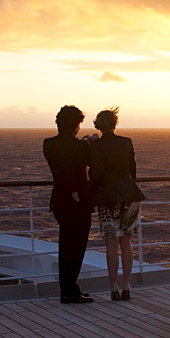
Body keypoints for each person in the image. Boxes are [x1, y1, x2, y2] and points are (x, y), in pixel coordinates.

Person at [87, 107, 144, 300]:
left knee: (111, 244)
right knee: (126, 243)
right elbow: (132, 170)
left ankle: (113, 287)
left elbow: (96, 174)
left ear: (98, 125)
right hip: (129, 195)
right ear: (115, 124)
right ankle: (127, 284)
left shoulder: (97, 146)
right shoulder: (126, 142)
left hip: (108, 197)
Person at [43, 105, 94, 304]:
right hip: (78, 201)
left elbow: (64, 155)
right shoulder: (81, 147)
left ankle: (68, 288)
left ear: (58, 123)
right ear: (77, 125)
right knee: (77, 246)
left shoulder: (48, 144)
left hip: (59, 200)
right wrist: (91, 145)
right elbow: (91, 163)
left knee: (65, 245)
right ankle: (70, 290)